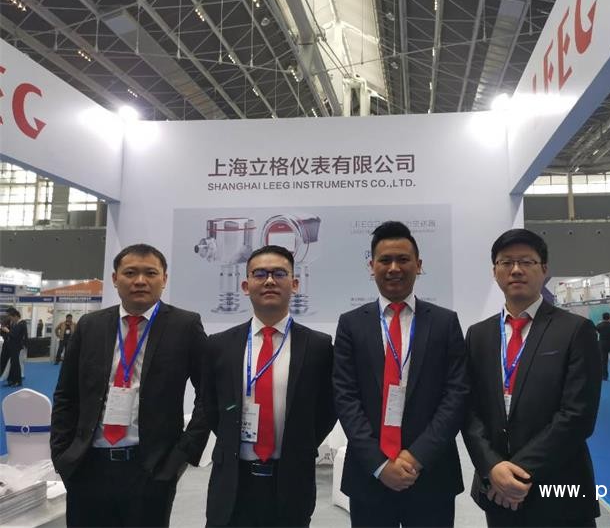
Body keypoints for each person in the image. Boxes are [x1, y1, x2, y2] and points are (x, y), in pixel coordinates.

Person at [50, 244, 209, 527]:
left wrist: (180, 456)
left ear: (164, 279)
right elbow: (66, 394)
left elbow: (208, 395)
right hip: (88, 466)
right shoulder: (90, 325)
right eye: (130, 273)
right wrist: (62, 454)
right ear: (115, 278)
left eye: (150, 273)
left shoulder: (185, 326)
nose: (140, 281)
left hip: (150, 468)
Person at [462, 228, 602, 527]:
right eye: (506, 262)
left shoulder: (575, 330)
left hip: (559, 488)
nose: (516, 270)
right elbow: (469, 410)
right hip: (497, 491)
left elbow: (578, 415)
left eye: (526, 261)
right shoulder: (479, 335)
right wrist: (492, 468)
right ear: (495, 271)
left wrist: (518, 472)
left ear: (544, 269)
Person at [333, 221, 468, 527]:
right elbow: (345, 396)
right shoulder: (351, 324)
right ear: (372, 266)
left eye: (403, 259)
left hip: (431, 473)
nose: (394, 268)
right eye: (385, 260)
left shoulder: (444, 322)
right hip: (370, 475)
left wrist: (416, 457)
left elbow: (456, 394)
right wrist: (379, 464)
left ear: (418, 265)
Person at [203, 245, 336, 527]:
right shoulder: (220, 345)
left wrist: (301, 443)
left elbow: (328, 409)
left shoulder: (318, 346)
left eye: (279, 273)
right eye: (260, 274)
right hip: (233, 482)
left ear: (295, 284)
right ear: (245, 285)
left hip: (290, 479)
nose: (270, 281)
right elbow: (211, 407)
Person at [0, 307, 28, 387]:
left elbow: (15, 335)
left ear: (15, 316)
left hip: (17, 347)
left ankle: (18, 381)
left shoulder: (22, 324)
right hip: (10, 346)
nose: (10, 318)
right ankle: (11, 380)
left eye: (11, 317)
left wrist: (7, 330)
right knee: (10, 363)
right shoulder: (13, 323)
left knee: (15, 364)